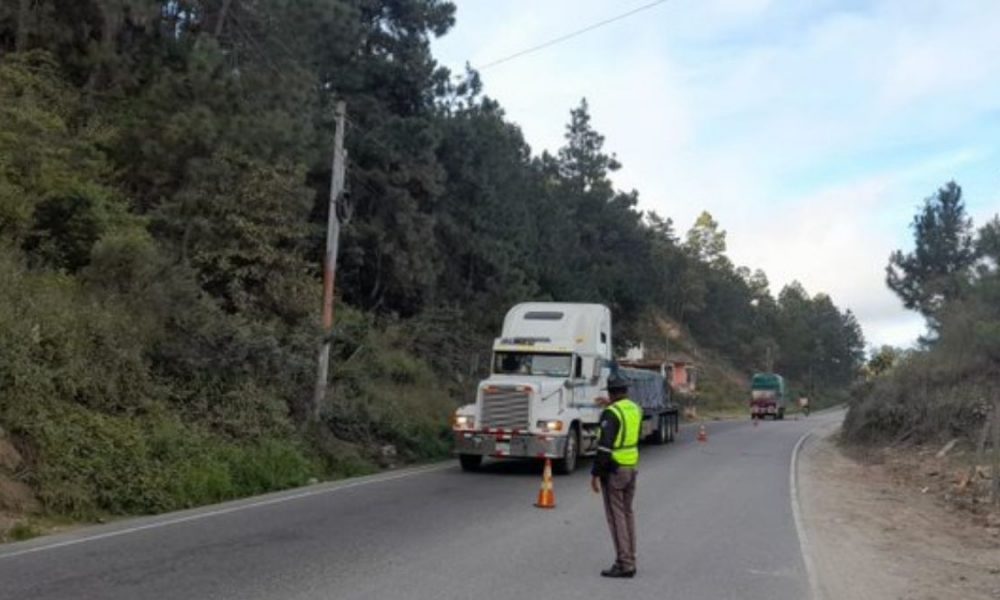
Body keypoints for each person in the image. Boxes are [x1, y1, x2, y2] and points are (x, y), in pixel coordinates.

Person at [590, 374, 642, 578]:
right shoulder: (634, 409)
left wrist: (595, 473)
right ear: (626, 391)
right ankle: (631, 558)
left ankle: (624, 564)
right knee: (628, 514)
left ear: (611, 393)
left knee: (616, 516)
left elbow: (604, 447)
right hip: (631, 466)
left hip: (614, 470)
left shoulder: (611, 413)